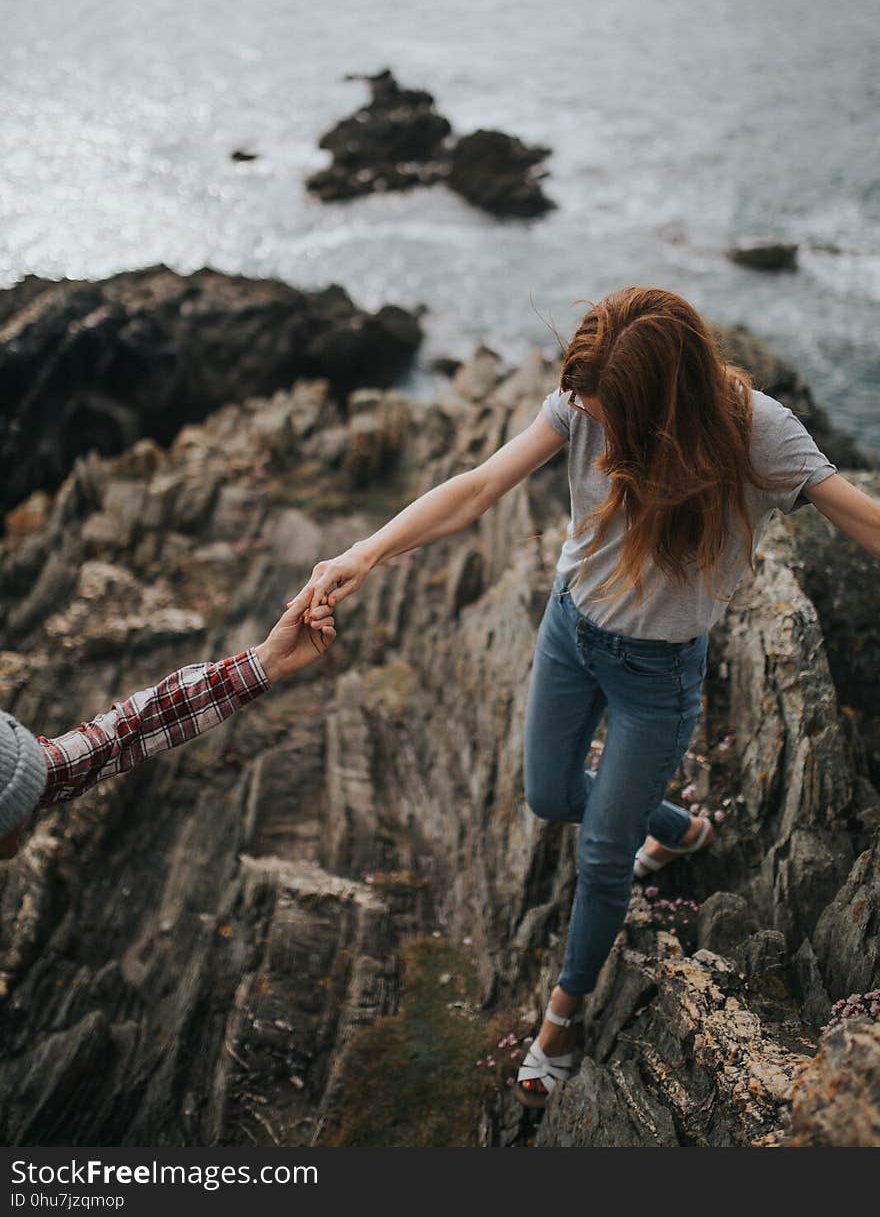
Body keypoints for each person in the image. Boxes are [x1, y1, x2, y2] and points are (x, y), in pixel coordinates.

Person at [286, 285, 880, 1108]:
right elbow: (479, 485)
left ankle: (561, 1017)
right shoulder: (581, 400)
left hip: (658, 676)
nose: (590, 427)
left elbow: (864, 519)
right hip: (570, 633)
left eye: (607, 416)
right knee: (552, 794)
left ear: (659, 406)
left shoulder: (758, 433)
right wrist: (367, 551)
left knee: (602, 859)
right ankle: (679, 826)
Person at [0, 592, 336, 862]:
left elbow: (129, 730)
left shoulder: (21, 772)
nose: (31, 804)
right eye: (24, 799)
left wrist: (267, 661)